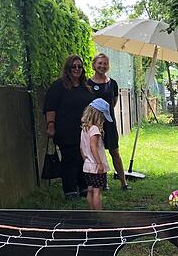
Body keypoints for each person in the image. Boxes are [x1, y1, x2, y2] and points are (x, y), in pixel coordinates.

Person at [43, 55, 94, 200]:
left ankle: (83, 187)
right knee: (69, 161)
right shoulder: (58, 86)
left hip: (84, 132)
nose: (77, 69)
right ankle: (70, 190)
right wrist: (50, 126)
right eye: (74, 66)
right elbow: (50, 108)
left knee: (83, 159)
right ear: (68, 69)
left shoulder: (86, 87)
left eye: (79, 66)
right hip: (66, 131)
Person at [87, 53, 130, 190]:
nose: (102, 66)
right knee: (98, 152)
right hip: (94, 124)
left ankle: (124, 183)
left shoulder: (113, 83)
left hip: (109, 123)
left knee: (114, 151)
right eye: (99, 63)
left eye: (105, 63)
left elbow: (114, 102)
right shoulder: (88, 84)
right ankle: (103, 183)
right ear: (94, 65)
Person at [79, 99, 112, 210]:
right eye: (102, 117)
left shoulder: (84, 129)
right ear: (99, 115)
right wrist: (99, 163)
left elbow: (81, 147)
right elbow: (93, 147)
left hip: (87, 165)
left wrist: (86, 160)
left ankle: (91, 212)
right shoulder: (95, 129)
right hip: (96, 166)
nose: (103, 120)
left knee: (90, 190)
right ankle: (99, 214)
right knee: (97, 191)